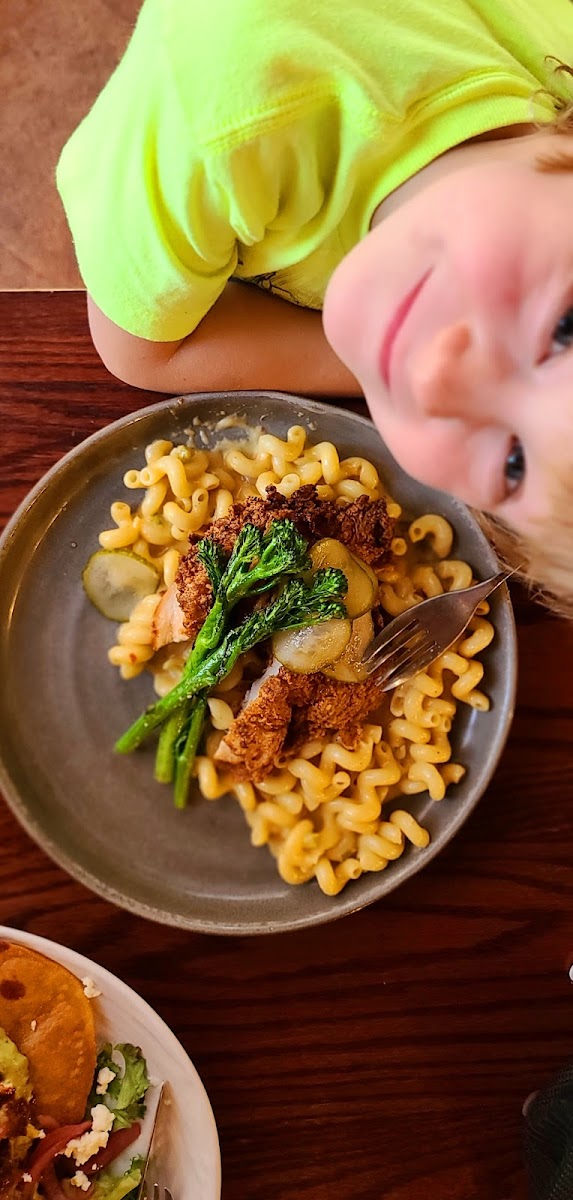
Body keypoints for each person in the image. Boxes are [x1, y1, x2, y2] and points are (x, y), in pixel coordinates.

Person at [56, 0, 573, 614]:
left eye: (512, 464)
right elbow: (139, 353)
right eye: (563, 329)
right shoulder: (221, 121)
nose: (433, 380)